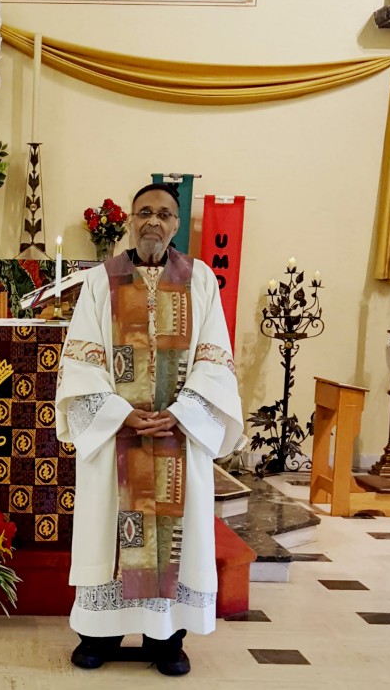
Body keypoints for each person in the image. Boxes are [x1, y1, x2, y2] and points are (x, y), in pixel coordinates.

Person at [55, 182, 243, 676]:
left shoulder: (200, 280)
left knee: (174, 536)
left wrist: (182, 411)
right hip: (118, 434)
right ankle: (100, 634)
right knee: (108, 535)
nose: (153, 222)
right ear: (130, 221)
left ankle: (168, 639)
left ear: (176, 224)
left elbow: (214, 356)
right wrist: (119, 411)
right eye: (144, 213)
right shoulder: (102, 281)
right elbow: (81, 357)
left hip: (177, 435)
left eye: (163, 213)